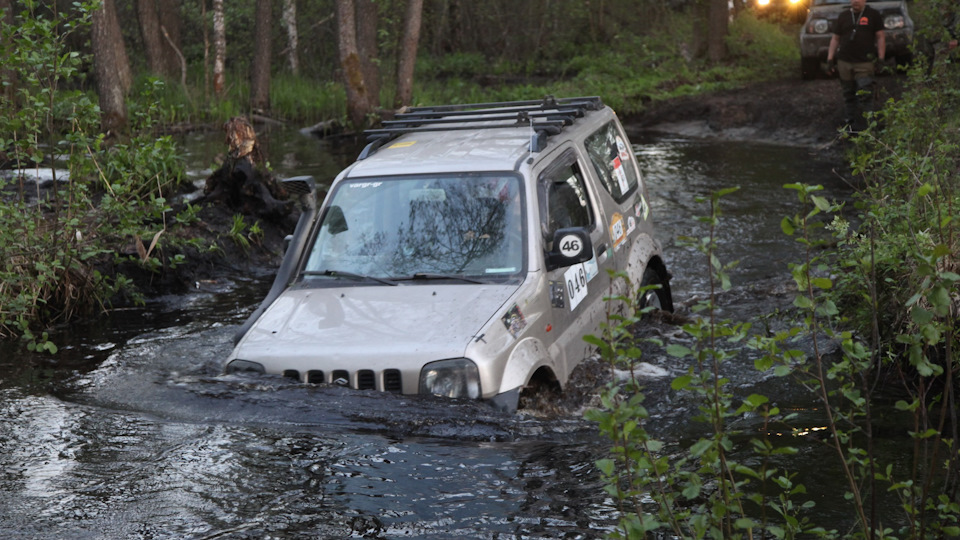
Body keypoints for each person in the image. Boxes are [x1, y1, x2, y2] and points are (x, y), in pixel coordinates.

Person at [826, 0, 885, 130]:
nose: (856, 1)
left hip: (864, 62)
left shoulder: (873, 14)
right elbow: (835, 38)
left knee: (866, 92)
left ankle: (870, 125)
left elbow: (880, 37)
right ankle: (850, 122)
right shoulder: (844, 16)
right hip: (845, 61)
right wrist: (830, 59)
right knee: (848, 93)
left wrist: (881, 58)